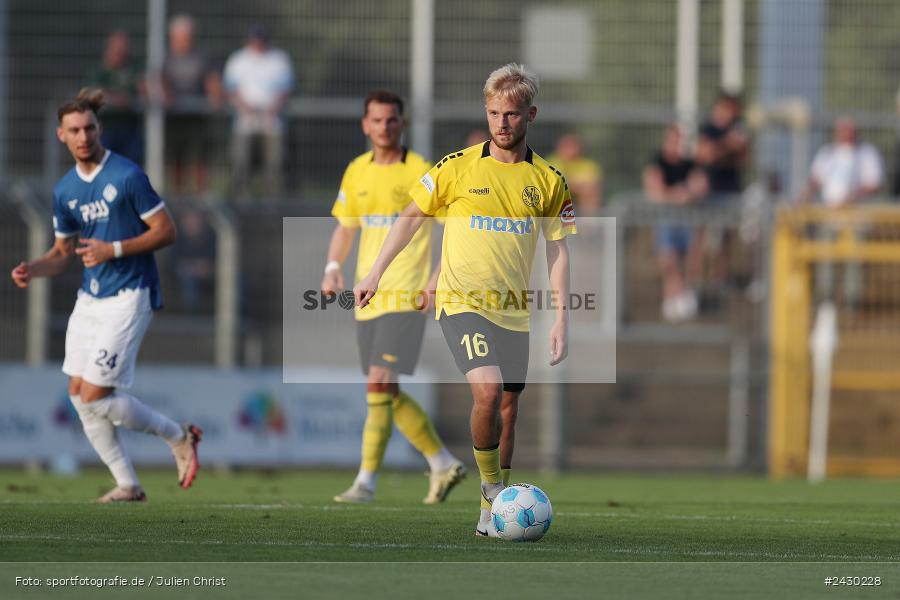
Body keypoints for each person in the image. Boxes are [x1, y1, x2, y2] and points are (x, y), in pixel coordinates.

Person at [353, 64, 576, 536]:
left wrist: (561, 318)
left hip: (514, 312)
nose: (501, 123)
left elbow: (558, 248)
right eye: (494, 113)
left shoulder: (549, 180)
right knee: (488, 392)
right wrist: (376, 271)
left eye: (512, 114)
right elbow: (411, 216)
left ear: (530, 114)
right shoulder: (456, 167)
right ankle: (495, 489)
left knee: (509, 413)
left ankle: (487, 513)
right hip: (460, 302)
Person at [9, 89, 202, 503]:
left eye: (90, 128)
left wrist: (111, 250)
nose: (84, 137)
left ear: (99, 129)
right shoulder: (64, 191)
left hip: (131, 294)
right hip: (91, 299)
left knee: (96, 395)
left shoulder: (127, 176)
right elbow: (62, 254)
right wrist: (33, 268)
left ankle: (179, 436)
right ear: (61, 135)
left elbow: (166, 231)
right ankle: (128, 484)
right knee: (79, 397)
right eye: (75, 130)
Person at [322, 90, 465, 504]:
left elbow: (451, 228)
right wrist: (333, 268)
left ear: (402, 123)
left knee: (378, 382)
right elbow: (347, 226)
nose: (384, 127)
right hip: (368, 295)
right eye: (377, 120)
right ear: (365, 125)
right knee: (386, 391)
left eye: (392, 120)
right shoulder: (357, 171)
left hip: (405, 293)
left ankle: (365, 482)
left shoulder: (421, 171)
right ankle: (441, 462)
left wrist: (437, 278)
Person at [643, 124, 708, 322]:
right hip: (666, 219)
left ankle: (685, 294)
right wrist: (676, 195)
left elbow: (701, 186)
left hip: (687, 219)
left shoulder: (689, 164)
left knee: (692, 256)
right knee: (669, 258)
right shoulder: (657, 162)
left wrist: (687, 193)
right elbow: (655, 190)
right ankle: (672, 295)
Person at [223, 24, 294, 201]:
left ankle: (273, 203)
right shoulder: (238, 59)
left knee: (274, 165)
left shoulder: (279, 59)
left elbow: (286, 88)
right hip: (245, 122)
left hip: (272, 122)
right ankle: (241, 200)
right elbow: (230, 88)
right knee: (241, 163)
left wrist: (274, 107)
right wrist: (244, 107)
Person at [163, 14, 223, 196]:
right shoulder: (167, 59)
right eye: (180, 37)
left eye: (187, 37)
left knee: (199, 160)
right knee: (176, 162)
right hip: (174, 118)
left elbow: (211, 81)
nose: (184, 41)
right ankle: (177, 199)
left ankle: (201, 199)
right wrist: (165, 94)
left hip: (197, 118)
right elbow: (161, 81)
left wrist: (215, 93)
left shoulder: (201, 58)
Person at [87, 30, 144, 165]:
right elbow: (94, 93)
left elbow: (143, 88)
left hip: (130, 128)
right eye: (117, 49)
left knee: (131, 165)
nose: (120, 53)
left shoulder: (133, 68)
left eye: (123, 49)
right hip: (105, 129)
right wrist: (117, 98)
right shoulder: (100, 69)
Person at [801, 116, 883, 207]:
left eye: (848, 130)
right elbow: (815, 178)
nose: (845, 133)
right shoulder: (827, 152)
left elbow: (874, 184)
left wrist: (854, 196)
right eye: (842, 130)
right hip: (829, 208)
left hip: (859, 210)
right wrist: (807, 192)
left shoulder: (867, 153)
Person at [548, 132, 603, 216]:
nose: (571, 149)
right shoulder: (552, 162)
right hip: (558, 196)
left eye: (573, 146)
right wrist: (578, 185)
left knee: (591, 194)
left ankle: (588, 225)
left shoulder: (588, 165)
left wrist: (572, 184)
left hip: (581, 197)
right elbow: (555, 184)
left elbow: (594, 185)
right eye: (567, 146)